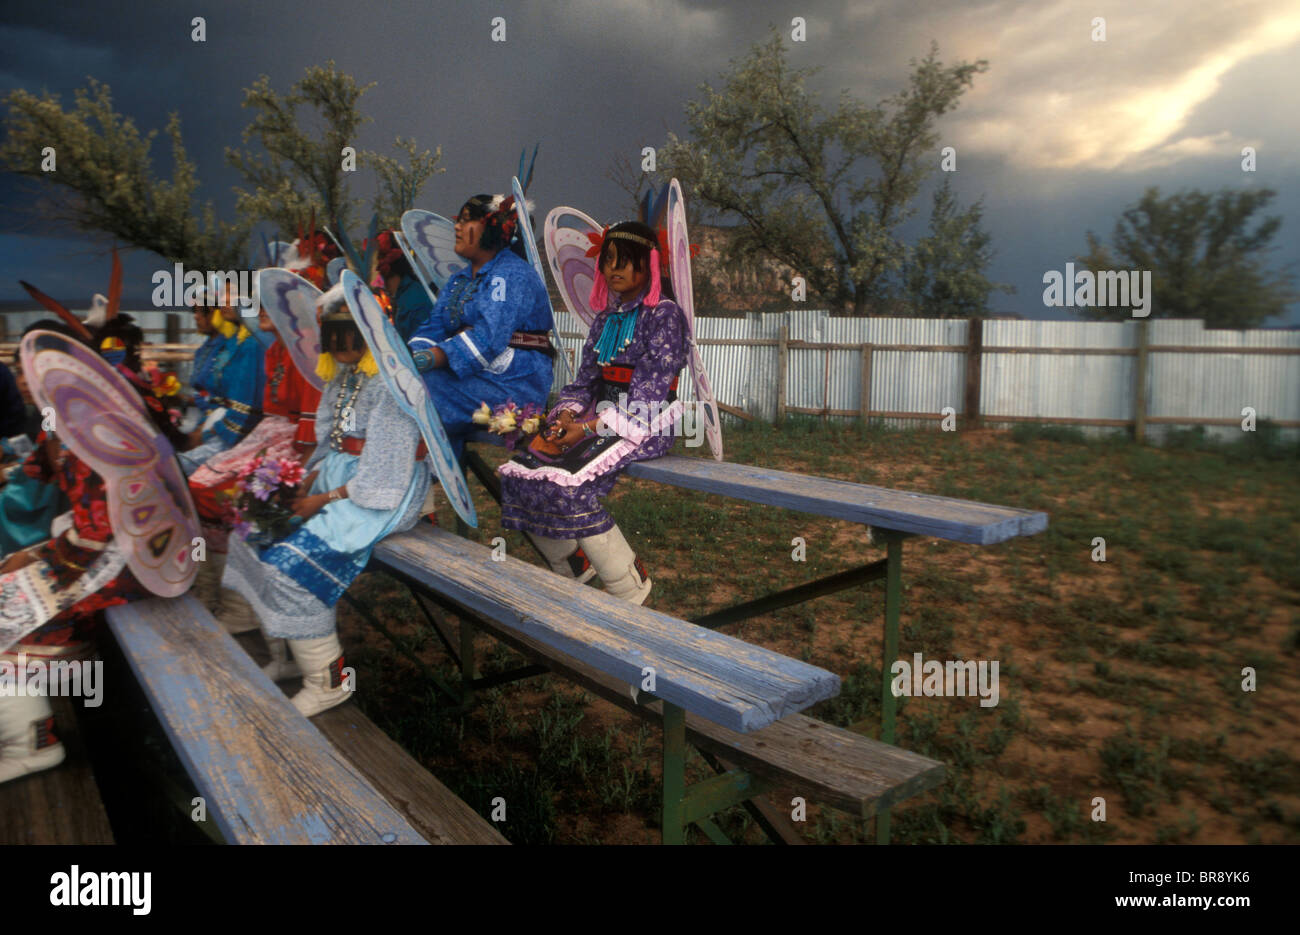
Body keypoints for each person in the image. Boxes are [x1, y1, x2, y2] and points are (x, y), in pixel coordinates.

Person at [222, 285, 431, 716]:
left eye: (347, 336)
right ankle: (286, 657)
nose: (338, 348)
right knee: (253, 535)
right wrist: (306, 482)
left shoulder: (392, 387)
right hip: (337, 478)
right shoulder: (344, 377)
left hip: (381, 492)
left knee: (290, 567)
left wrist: (322, 502)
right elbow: (328, 441)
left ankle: (329, 681)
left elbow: (385, 470)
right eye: (332, 338)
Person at [0, 321, 189, 783]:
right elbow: (38, 468)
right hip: (96, 557)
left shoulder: (91, 429)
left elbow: (101, 533)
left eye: (29, 371)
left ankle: (31, 742)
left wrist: (39, 557)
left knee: (6, 609)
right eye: (19, 371)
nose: (22, 380)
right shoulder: (62, 422)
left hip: (123, 570)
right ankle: (27, 729)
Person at [496, 221, 688, 605]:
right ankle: (573, 568)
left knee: (570, 481)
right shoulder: (605, 319)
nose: (613, 268)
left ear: (648, 266)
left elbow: (647, 394)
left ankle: (629, 586)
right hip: (596, 417)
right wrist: (566, 416)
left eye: (624, 261)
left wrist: (586, 428)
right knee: (524, 471)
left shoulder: (664, 316)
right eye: (608, 260)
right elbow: (584, 381)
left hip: (644, 420)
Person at [187, 303, 321, 646]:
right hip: (271, 433)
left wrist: (299, 474)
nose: (259, 310)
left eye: (268, 304)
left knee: (231, 495)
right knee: (198, 484)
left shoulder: (306, 349)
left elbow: (309, 421)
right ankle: (213, 593)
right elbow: (269, 414)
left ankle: (240, 606)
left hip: (300, 444)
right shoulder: (274, 349)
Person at [407, 194, 554, 460]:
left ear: (491, 227)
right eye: (458, 220)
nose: (456, 227)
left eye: (466, 221)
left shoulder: (511, 274)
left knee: (422, 386)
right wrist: (413, 354)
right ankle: (431, 469)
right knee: (407, 381)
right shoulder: (458, 280)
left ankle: (419, 472)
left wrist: (431, 359)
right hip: (477, 375)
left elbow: (489, 339)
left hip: (516, 382)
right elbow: (434, 325)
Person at [178, 284, 265, 475]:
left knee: (174, 469)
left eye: (232, 295)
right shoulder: (234, 341)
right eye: (223, 295)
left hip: (233, 435)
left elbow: (246, 409)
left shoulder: (252, 345)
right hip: (215, 424)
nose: (224, 301)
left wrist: (208, 433)